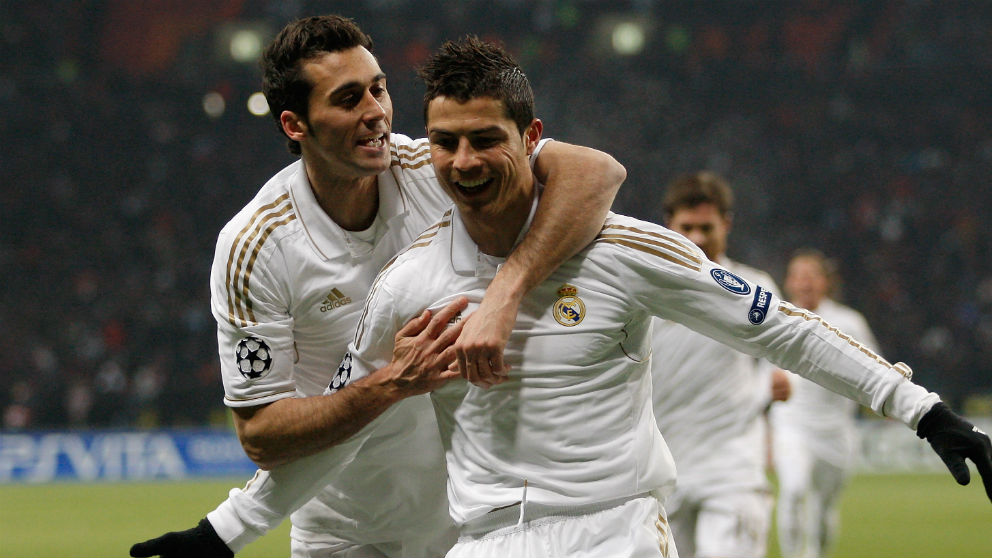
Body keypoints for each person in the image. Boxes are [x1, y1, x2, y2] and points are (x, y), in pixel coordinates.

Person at [164, 36, 992, 558]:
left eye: (485, 140)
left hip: (617, 530)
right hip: (480, 541)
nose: (461, 162)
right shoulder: (407, 285)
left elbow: (781, 330)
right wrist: (225, 532)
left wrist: (920, 407)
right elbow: (352, 421)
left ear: (531, 141)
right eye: (445, 143)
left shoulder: (624, 248)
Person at [130, 15, 625, 558]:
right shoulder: (257, 246)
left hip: (471, 519)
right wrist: (392, 383)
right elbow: (262, 434)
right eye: (348, 99)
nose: (376, 112)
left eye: (379, 88)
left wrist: (505, 293)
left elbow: (596, 174)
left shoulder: (433, 169)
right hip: (342, 529)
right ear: (296, 125)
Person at [650, 171, 791, 558]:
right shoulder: (643, 288)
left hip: (732, 468)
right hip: (660, 472)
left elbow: (784, 355)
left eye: (706, 227)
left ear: (726, 224)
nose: (696, 238)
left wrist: (775, 381)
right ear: (669, 225)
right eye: (687, 227)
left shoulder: (754, 288)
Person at [768, 249, 877, 557]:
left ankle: (817, 553)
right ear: (788, 282)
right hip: (792, 425)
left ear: (825, 282)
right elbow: (758, 370)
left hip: (836, 431)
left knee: (825, 508)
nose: (805, 283)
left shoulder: (850, 322)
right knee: (793, 491)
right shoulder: (773, 317)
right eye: (799, 276)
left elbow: (872, 369)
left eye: (811, 275)